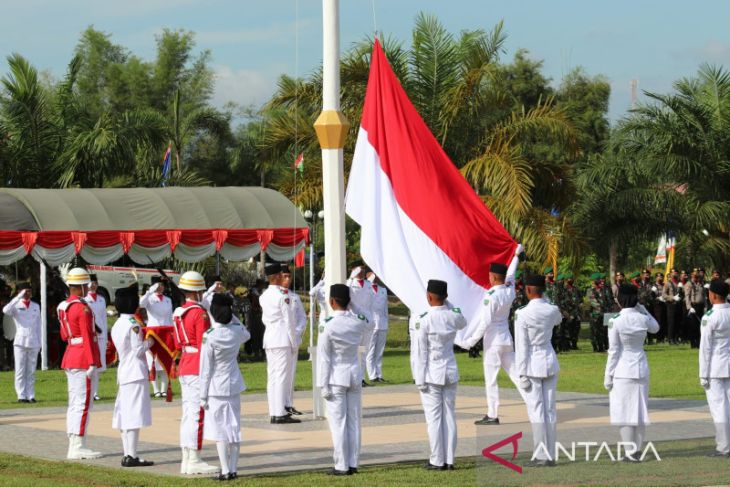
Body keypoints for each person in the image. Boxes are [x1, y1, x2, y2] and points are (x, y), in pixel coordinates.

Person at [462, 245, 522, 425]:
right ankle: (536, 403)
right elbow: (512, 273)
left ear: (494, 277)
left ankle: (492, 414)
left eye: (490, 275)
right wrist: (516, 255)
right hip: (506, 338)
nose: (488, 277)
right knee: (517, 374)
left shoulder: (492, 296)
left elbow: (485, 322)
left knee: (491, 379)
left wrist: (471, 341)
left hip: (493, 341)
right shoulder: (509, 289)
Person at [413, 279, 467, 471]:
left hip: (431, 374)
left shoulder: (424, 319)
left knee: (434, 419)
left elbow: (421, 353)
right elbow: (463, 321)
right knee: (449, 416)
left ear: (428, 296)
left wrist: (419, 379)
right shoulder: (453, 316)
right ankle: (450, 459)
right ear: (445, 297)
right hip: (450, 370)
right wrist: (447, 303)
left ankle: (437, 459)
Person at [604, 284, 660, 462]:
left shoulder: (616, 321)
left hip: (623, 370)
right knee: (639, 410)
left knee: (624, 411)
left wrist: (608, 375)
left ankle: (630, 452)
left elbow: (613, 352)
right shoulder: (642, 318)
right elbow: (656, 328)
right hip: (641, 366)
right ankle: (637, 450)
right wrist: (642, 308)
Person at [317, 283, 368, 476]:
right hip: (354, 374)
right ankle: (353, 462)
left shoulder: (327, 325)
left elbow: (325, 357)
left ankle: (341, 464)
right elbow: (369, 320)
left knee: (338, 423)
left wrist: (323, 384)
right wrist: (354, 305)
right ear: (349, 301)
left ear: (331, 302)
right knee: (354, 421)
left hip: (336, 377)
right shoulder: (357, 321)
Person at [199, 293, 251, 481]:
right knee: (234, 427)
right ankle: (234, 468)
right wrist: (233, 315)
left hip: (216, 387)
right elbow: (247, 334)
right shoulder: (236, 331)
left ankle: (225, 470)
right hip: (234, 383)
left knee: (220, 429)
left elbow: (206, 369)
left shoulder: (209, 336)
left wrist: (202, 396)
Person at [172, 270, 218, 475]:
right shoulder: (199, 313)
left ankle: (187, 457)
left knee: (188, 414)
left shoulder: (178, 312)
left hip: (186, 362)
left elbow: (176, 342)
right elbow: (205, 343)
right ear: (199, 291)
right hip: (198, 364)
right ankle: (194, 458)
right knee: (197, 415)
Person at [515, 275, 562, 467]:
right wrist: (547, 299)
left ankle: (541, 455)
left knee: (537, 411)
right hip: (549, 360)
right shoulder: (552, 310)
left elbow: (522, 345)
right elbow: (558, 319)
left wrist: (521, 373)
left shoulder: (522, 313)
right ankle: (549, 454)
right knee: (550, 410)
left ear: (528, 290)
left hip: (532, 363)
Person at [56, 268, 102, 460]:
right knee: (83, 404)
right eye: (86, 285)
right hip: (83, 357)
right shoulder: (82, 308)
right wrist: (92, 361)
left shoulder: (63, 306)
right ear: (82, 286)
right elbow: (87, 336)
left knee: (74, 403)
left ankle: (74, 442)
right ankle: (78, 445)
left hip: (71, 354)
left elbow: (64, 335)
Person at [111, 284, 155, 468]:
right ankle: (131, 454)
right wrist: (150, 342)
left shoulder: (117, 323)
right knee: (133, 414)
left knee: (125, 412)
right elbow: (138, 350)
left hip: (124, 370)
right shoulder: (134, 325)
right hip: (135, 370)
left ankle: (128, 453)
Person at [260, 263, 300, 424]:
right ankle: (280, 412)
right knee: (282, 377)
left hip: (270, 338)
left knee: (273, 377)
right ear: (276, 277)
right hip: (282, 338)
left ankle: (274, 411)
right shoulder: (283, 297)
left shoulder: (264, 296)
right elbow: (289, 322)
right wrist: (294, 341)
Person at [699, 280, 730, 457]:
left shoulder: (710, 317)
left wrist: (703, 374)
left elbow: (705, 349)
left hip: (716, 368)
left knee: (719, 409)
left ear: (714, 295)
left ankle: (724, 447)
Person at [3, 282, 41, 403]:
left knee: (31, 370)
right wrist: (18, 297)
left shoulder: (35, 306)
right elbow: (5, 310)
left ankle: (31, 395)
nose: (27, 293)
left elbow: (38, 326)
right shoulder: (15, 305)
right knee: (20, 369)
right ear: (19, 291)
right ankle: (21, 395)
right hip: (20, 341)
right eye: (25, 291)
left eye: (29, 291)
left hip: (34, 340)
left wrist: (40, 343)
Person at [140, 276, 173, 398]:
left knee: (164, 360)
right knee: (153, 362)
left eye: (162, 285)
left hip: (165, 333)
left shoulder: (168, 300)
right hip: (153, 333)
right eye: (157, 286)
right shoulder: (149, 298)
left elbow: (170, 317)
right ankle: (156, 389)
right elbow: (141, 304)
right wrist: (149, 291)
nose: (160, 288)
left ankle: (164, 389)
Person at [281, 264, 306, 416]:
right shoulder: (272, 296)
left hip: (293, 339)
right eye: (285, 276)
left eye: (289, 276)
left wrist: (297, 332)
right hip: (281, 340)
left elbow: (302, 317)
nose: (288, 279)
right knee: (280, 375)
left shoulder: (294, 297)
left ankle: (289, 403)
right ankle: (280, 404)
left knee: (291, 373)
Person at [347, 265, 375, 387]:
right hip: (354, 319)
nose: (361, 272)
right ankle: (353, 377)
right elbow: (346, 294)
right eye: (358, 269)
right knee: (354, 349)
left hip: (367, 320)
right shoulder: (350, 283)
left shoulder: (369, 284)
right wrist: (351, 278)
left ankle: (361, 378)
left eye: (362, 270)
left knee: (364, 351)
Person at [85, 275, 108, 401]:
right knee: (90, 364)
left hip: (101, 335)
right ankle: (88, 391)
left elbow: (104, 317)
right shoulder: (84, 299)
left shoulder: (101, 299)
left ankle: (95, 392)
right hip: (90, 335)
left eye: (95, 283)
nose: (93, 285)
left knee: (98, 365)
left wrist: (105, 334)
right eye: (91, 283)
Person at [365, 272, 389, 383]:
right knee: (370, 351)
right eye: (372, 275)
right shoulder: (366, 289)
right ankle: (372, 375)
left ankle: (379, 374)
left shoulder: (383, 290)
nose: (375, 277)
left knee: (379, 351)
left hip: (382, 323)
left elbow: (385, 309)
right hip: (371, 323)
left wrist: (386, 321)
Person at [587, 273, 609, 352]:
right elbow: (593, 302)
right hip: (595, 314)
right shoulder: (590, 290)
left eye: (600, 279)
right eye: (598, 280)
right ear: (593, 281)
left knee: (604, 331)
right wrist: (602, 307)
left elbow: (608, 300)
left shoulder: (603, 290)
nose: (600, 281)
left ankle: (602, 346)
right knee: (595, 331)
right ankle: (596, 347)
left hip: (604, 313)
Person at [561, 273, 583, 350]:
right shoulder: (563, 289)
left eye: (572, 278)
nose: (571, 280)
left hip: (576, 313)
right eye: (569, 279)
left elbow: (581, 299)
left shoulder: (576, 289)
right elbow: (562, 301)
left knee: (576, 329)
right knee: (568, 329)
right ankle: (567, 345)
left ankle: (574, 344)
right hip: (568, 313)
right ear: (566, 280)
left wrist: (581, 304)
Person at [685, 269, 706, 349]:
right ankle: (693, 343)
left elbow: (704, 297)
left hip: (700, 306)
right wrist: (689, 307)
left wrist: (705, 307)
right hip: (693, 307)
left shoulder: (701, 284)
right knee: (693, 326)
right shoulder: (689, 284)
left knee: (700, 326)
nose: (696, 275)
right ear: (692, 275)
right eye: (695, 273)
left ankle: (699, 342)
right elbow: (687, 296)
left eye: (697, 273)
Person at [662, 268, 684, 345]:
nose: (675, 273)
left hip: (678, 305)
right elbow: (664, 295)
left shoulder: (679, 283)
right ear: (670, 274)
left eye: (676, 272)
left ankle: (676, 338)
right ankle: (670, 338)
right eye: (673, 272)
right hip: (671, 305)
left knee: (678, 322)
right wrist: (672, 298)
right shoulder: (668, 283)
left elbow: (683, 294)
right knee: (671, 322)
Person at [247, 279, 266, 360]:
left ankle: (262, 352)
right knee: (255, 334)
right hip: (254, 316)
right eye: (262, 284)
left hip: (261, 315)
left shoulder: (261, 292)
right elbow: (254, 305)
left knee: (262, 334)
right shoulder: (253, 293)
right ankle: (256, 352)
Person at [651, 273, 667, 342]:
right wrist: (657, 298)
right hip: (657, 305)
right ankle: (658, 337)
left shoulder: (664, 285)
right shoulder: (653, 286)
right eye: (659, 276)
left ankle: (662, 337)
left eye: (661, 276)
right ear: (656, 278)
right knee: (658, 321)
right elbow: (651, 297)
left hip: (664, 304)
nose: (660, 278)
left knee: (664, 321)